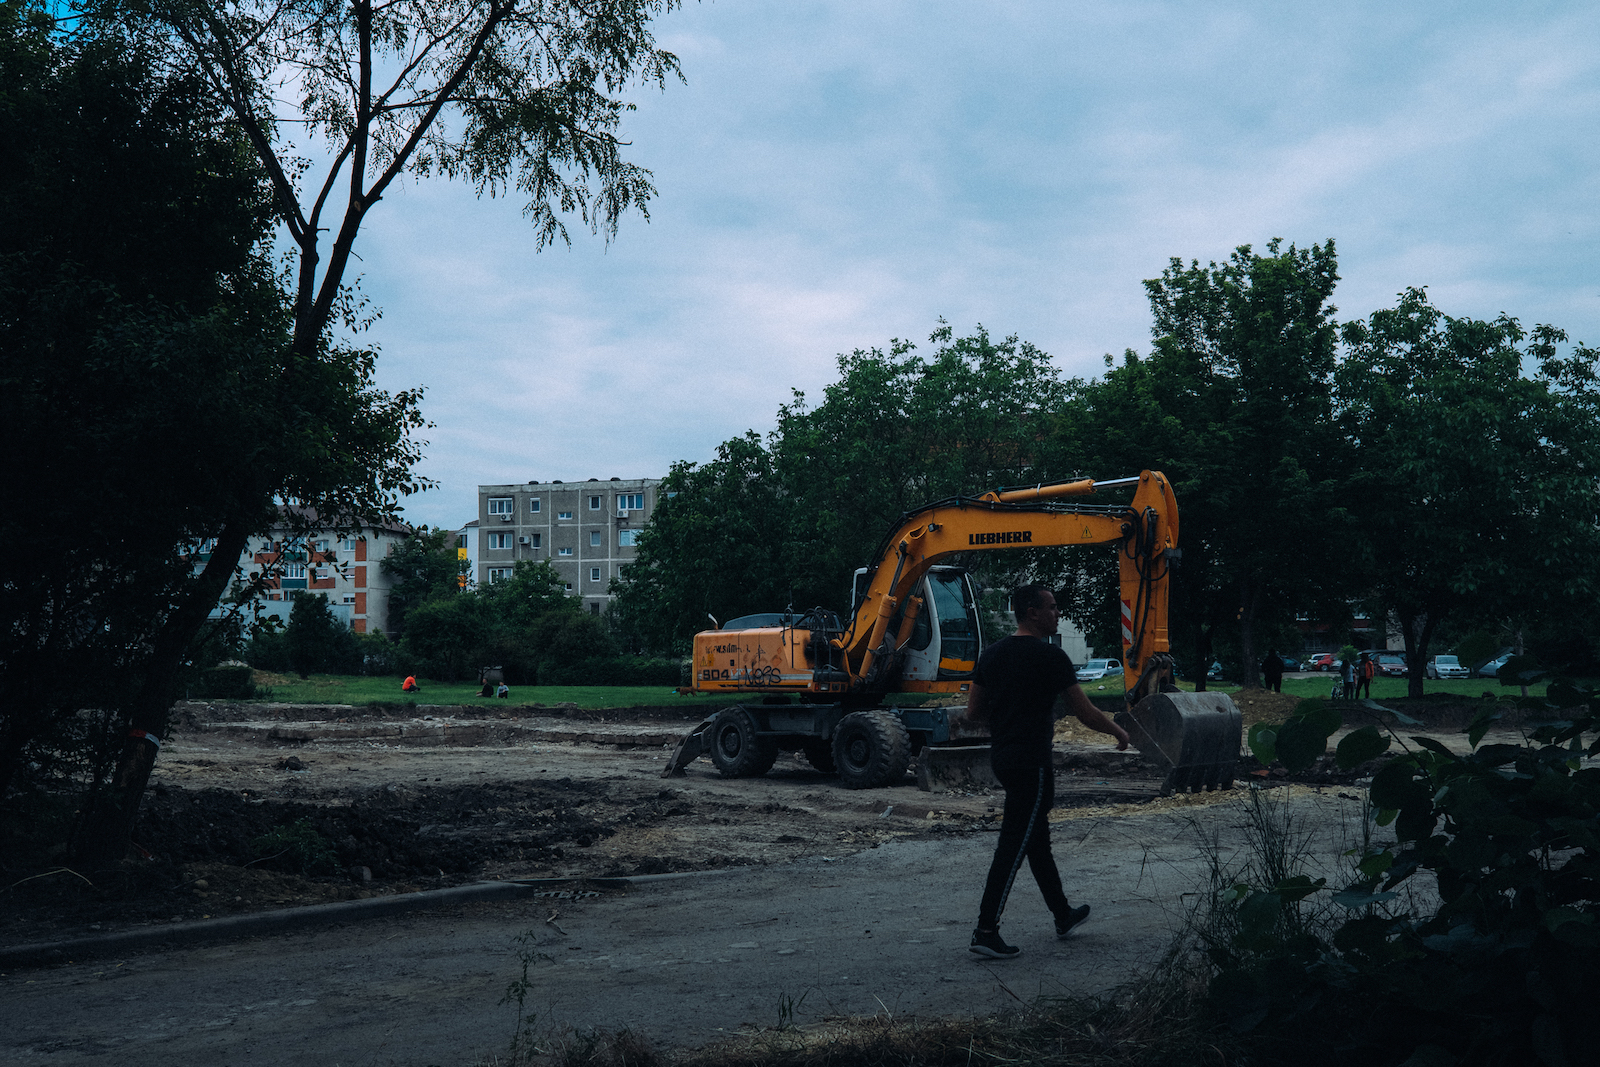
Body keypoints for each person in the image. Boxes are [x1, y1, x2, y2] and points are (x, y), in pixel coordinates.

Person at [958, 584, 1131, 959]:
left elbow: (973, 712)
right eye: (1052, 608)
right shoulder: (1050, 657)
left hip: (1003, 757)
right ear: (1032, 612)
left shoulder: (991, 654)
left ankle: (1062, 914)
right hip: (1032, 763)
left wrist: (1007, 719)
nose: (1058, 614)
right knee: (1014, 845)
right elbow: (1084, 712)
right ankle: (986, 930)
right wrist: (1117, 731)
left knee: (1036, 841)